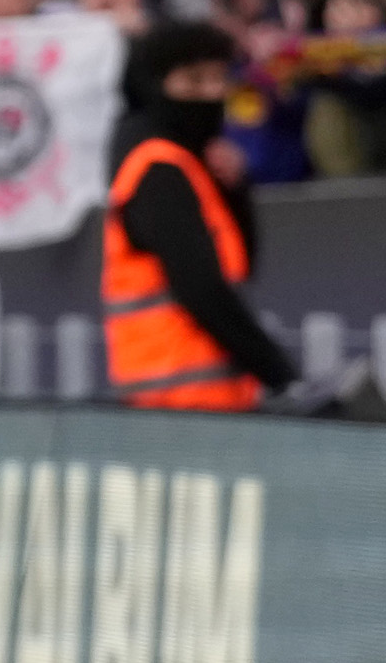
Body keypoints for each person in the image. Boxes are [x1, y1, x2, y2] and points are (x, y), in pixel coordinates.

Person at [103, 23, 296, 411]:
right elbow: (201, 288)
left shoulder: (189, 163)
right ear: (156, 84)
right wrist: (283, 376)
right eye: (193, 81)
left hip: (199, 398)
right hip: (178, 401)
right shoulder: (158, 168)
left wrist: (234, 192)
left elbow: (237, 270)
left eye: (218, 79)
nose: (211, 94)